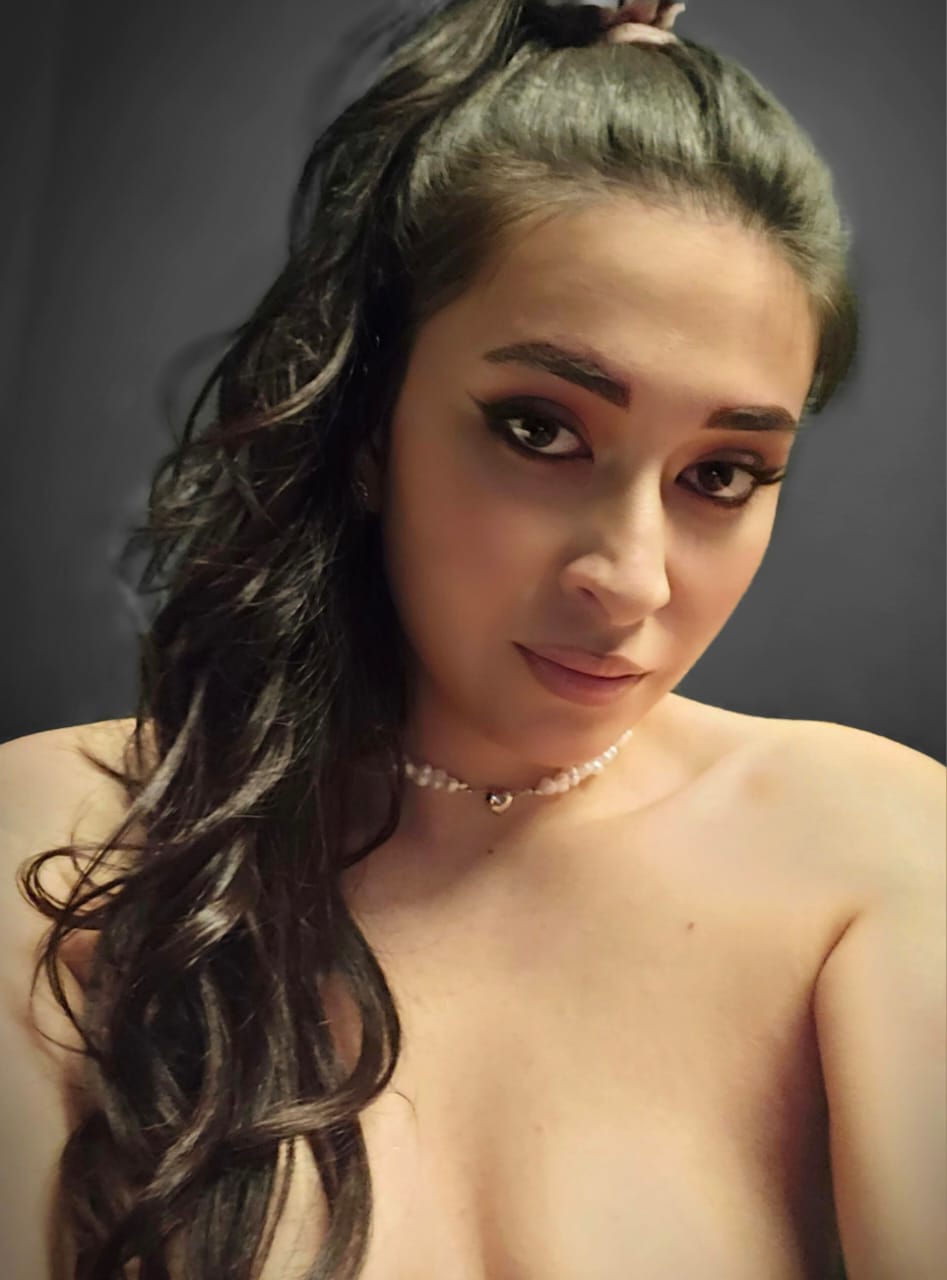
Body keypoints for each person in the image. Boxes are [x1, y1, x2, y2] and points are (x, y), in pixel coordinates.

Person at [0, 2, 943, 1278]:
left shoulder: (874, 859)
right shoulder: (54, 854)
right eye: (539, 430)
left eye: (721, 473)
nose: (628, 578)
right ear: (368, 419)